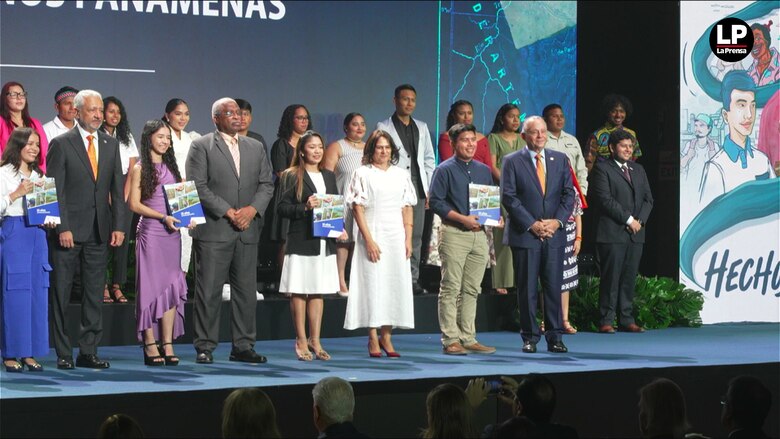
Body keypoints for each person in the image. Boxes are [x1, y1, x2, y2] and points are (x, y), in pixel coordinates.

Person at [186, 97, 274, 364]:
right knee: (209, 291)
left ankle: (243, 346)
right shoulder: (201, 145)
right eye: (229, 113)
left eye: (239, 112)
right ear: (216, 118)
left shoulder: (255, 146)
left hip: (247, 230)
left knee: (246, 292)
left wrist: (251, 210)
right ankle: (205, 346)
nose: (237, 117)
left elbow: (266, 184)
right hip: (215, 230)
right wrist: (228, 211)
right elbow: (197, 186)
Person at [47, 89, 128, 370]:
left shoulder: (110, 144)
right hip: (68, 233)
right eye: (92, 110)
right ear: (77, 111)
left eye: (100, 110)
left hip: (99, 231)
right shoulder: (61, 143)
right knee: (61, 293)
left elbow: (117, 190)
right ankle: (63, 352)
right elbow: (55, 191)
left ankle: (88, 351)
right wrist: (63, 227)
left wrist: (118, 225)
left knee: (94, 294)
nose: (97, 115)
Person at [501, 116, 574, 354]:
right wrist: (532, 224)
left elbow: (569, 195)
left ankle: (555, 337)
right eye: (534, 132)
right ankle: (530, 337)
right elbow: (509, 197)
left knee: (553, 288)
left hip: (554, 235)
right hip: (525, 235)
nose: (540, 136)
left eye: (543, 131)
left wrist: (556, 222)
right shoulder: (512, 161)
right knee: (527, 289)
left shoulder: (560, 159)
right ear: (524, 136)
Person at [343, 130, 416, 357]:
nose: (383, 151)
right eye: (379, 147)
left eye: (387, 147)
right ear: (371, 150)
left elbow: (407, 207)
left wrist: (408, 239)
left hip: (396, 235)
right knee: (372, 284)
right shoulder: (362, 173)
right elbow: (357, 208)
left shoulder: (401, 174)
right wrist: (368, 240)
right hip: (372, 232)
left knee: (393, 284)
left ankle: (387, 336)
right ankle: (373, 337)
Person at [127, 120, 190, 366]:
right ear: (149, 138)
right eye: (160, 137)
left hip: (172, 234)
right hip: (151, 233)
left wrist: (188, 217)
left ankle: (168, 343)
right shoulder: (140, 168)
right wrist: (162, 217)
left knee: (171, 287)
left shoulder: (172, 168)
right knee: (150, 289)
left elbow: (181, 200)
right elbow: (133, 204)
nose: (164, 141)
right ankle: (149, 343)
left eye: (167, 138)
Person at [429, 124, 496, 355]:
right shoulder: (444, 170)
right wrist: (463, 219)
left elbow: (488, 201)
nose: (470, 144)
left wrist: (494, 217)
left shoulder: (484, 170)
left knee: (472, 289)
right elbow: (435, 202)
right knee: (450, 287)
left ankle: (468, 337)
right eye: (465, 140)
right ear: (454, 143)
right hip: (454, 233)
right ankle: (450, 340)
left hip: (479, 235)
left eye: (473, 140)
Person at [277, 131, 341, 361]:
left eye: (320, 147)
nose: (317, 151)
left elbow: (334, 207)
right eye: (312, 147)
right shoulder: (291, 175)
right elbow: (281, 208)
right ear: (302, 150)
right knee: (299, 290)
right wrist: (304, 207)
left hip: (324, 241)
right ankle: (301, 340)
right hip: (301, 239)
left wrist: (339, 228)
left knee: (317, 290)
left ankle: (316, 340)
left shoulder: (329, 176)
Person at [0, 128, 55, 372]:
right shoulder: (3, 173)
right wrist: (16, 193)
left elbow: (47, 211)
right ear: (18, 145)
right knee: (15, 293)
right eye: (30, 144)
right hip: (14, 233)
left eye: (37, 144)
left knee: (37, 293)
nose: (34, 148)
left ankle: (29, 352)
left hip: (38, 236)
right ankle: (10, 352)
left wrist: (50, 220)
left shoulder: (40, 176)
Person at [589, 129, 653, 333]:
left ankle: (626, 318)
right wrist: (629, 219)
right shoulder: (602, 169)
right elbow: (605, 200)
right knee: (611, 278)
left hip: (635, 233)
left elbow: (648, 199)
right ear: (611, 148)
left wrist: (639, 221)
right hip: (612, 232)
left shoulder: (638, 169)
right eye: (623, 146)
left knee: (629, 277)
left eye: (630, 146)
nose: (628, 150)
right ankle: (606, 320)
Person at [376, 84, 435, 295]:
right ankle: (392, 278)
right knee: (393, 233)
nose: (409, 103)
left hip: (417, 187)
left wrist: (428, 188)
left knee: (416, 235)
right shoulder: (384, 126)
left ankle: (412, 278)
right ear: (395, 101)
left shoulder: (422, 126)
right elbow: (381, 157)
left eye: (412, 100)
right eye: (404, 99)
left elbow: (429, 159)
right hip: (393, 187)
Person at [699, 70, 775, 206]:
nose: (749, 115)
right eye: (741, 105)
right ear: (725, 115)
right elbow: (709, 217)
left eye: (752, 105)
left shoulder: (763, 160)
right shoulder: (716, 167)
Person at [543, 104, 587, 334]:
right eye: (554, 116)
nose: (559, 120)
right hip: (548, 223)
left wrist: (581, 192)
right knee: (548, 275)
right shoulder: (542, 140)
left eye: (562, 116)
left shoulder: (572, 140)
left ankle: (565, 320)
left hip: (569, 229)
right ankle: (547, 320)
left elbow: (581, 169)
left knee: (566, 279)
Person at [322, 112, 367, 296]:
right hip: (341, 201)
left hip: (363, 203)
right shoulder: (337, 146)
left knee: (359, 241)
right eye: (355, 124)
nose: (360, 127)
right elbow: (326, 177)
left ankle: (356, 281)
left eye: (362, 124)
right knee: (343, 242)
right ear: (346, 127)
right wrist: (329, 208)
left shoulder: (369, 148)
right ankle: (340, 280)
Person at [100, 96, 139, 304]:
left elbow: (132, 169)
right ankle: (103, 286)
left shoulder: (126, 136)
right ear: (102, 113)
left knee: (122, 244)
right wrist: (108, 196)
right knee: (104, 241)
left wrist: (123, 195)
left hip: (125, 188)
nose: (115, 115)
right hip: (102, 189)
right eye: (111, 111)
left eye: (118, 112)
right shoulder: (97, 136)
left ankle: (117, 285)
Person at [269, 104, 313, 275]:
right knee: (285, 240)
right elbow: (281, 173)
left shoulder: (312, 144)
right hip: (288, 195)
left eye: (306, 118)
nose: (304, 121)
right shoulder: (281, 144)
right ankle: (285, 281)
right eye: (299, 117)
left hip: (308, 196)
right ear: (290, 120)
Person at [488, 103, 526, 295]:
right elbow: (492, 165)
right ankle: (500, 281)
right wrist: (508, 184)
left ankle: (517, 280)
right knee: (500, 236)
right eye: (511, 116)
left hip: (521, 193)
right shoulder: (494, 138)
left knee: (519, 235)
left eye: (518, 116)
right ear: (502, 118)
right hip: (501, 192)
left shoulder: (523, 139)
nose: (515, 120)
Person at [163, 98, 200, 274]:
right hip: (169, 188)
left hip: (186, 191)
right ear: (167, 115)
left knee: (186, 238)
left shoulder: (189, 137)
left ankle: (179, 287)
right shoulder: (163, 135)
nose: (183, 118)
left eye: (186, 114)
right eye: (178, 114)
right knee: (170, 236)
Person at [0, 81, 49, 172]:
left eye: (22, 94)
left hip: (33, 174)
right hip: (7, 173)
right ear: (4, 98)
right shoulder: (1, 122)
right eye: (13, 94)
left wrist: (40, 174)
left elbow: (43, 153)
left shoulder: (35, 123)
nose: (19, 98)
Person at [586, 93, 641, 172]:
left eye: (622, 111)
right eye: (614, 111)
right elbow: (589, 161)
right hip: (603, 176)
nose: (618, 115)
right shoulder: (597, 135)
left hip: (626, 176)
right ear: (607, 112)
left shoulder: (631, 134)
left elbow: (634, 157)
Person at [438, 100, 495, 170]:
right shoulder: (447, 137)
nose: (466, 117)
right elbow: (448, 166)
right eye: (461, 113)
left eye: (469, 113)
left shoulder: (482, 138)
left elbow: (488, 167)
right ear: (454, 115)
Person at [680, 114, 717, 184]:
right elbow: (681, 165)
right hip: (691, 183)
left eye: (701, 125)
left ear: (709, 128)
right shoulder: (690, 144)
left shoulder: (714, 146)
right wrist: (688, 156)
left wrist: (712, 150)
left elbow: (718, 167)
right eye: (696, 125)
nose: (697, 129)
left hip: (709, 184)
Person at [746, 21, 779, 87]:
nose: (754, 43)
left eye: (758, 38)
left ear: (767, 41)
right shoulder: (751, 70)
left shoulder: (778, 66)